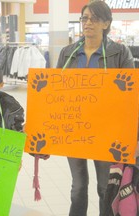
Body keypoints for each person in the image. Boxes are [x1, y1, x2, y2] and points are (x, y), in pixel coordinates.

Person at [56, 1, 134, 216]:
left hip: (106, 131)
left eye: (94, 18)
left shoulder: (120, 52)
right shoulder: (68, 53)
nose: (88, 23)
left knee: (104, 187)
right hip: (74, 129)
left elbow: (130, 95)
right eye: (84, 18)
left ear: (106, 23)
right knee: (78, 187)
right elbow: (54, 92)